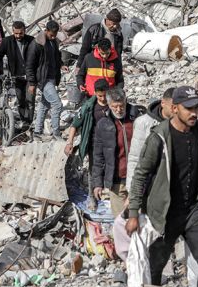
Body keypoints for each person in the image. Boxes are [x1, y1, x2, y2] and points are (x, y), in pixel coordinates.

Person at [126, 86, 198, 287]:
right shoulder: (159, 137)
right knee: (156, 264)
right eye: (188, 108)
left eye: (196, 107)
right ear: (175, 108)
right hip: (165, 214)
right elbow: (141, 174)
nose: (194, 112)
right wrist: (133, 213)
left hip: (194, 210)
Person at [91, 87, 142, 215]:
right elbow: (98, 156)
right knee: (120, 221)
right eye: (115, 107)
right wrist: (97, 183)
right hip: (116, 181)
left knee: (139, 220)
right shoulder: (103, 124)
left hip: (138, 179)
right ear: (108, 105)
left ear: (126, 102)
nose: (119, 110)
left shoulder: (137, 119)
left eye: (122, 106)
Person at [0, 20, 35, 123]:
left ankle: (29, 122)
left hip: (30, 76)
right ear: (13, 31)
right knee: (20, 99)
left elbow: (39, 57)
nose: (18, 36)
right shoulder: (7, 41)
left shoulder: (31, 41)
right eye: (16, 33)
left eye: (20, 33)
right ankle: (24, 120)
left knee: (30, 100)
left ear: (24, 31)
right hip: (16, 75)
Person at [127, 86, 175, 183]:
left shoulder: (181, 123)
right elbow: (135, 157)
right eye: (172, 107)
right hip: (150, 183)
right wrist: (132, 189)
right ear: (163, 103)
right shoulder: (143, 122)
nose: (176, 110)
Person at [26, 20, 64, 138]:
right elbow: (30, 65)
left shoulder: (53, 42)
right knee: (57, 104)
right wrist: (32, 83)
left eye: (55, 35)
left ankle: (37, 131)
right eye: (51, 34)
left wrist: (62, 65)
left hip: (52, 78)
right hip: (43, 79)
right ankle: (56, 133)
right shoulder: (37, 44)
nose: (52, 37)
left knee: (44, 105)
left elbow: (56, 57)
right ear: (46, 30)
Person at [64, 78, 110, 173]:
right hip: (94, 145)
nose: (103, 98)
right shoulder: (88, 107)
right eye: (100, 96)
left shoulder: (114, 105)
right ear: (95, 92)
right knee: (94, 171)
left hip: (111, 144)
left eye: (105, 95)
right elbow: (74, 125)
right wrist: (70, 143)